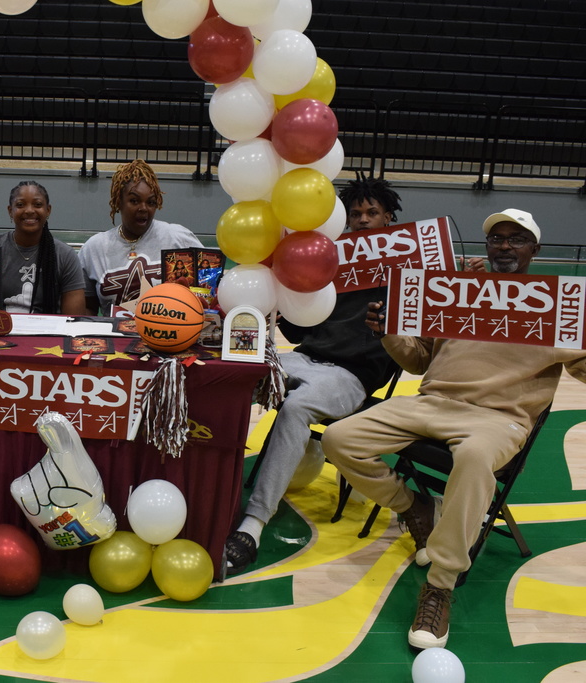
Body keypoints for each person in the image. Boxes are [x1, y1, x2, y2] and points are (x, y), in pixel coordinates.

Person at [322, 208, 586, 650]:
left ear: (534, 250)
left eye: (516, 239)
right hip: (434, 401)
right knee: (339, 439)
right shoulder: (458, 293)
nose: (504, 246)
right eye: (497, 238)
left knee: (476, 459)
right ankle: (414, 507)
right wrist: (389, 334)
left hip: (498, 418)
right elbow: (418, 361)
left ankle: (440, 586)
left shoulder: (557, 308)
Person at [223, 176, 404, 575]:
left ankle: (253, 524)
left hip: (351, 375)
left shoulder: (408, 273)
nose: (362, 220)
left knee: (297, 408)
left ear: (389, 219)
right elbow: (303, 331)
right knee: (231, 380)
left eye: (371, 213)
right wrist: (285, 299)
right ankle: (212, 486)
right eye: (355, 213)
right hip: (305, 357)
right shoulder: (331, 262)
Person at [79, 159, 203, 314]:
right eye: (134, 201)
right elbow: (87, 310)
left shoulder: (178, 238)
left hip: (168, 336)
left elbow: (208, 289)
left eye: (150, 202)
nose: (143, 208)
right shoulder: (94, 248)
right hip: (116, 336)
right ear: (119, 202)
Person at [0, 180, 86, 315]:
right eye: (20, 205)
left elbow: (74, 318)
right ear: (10, 211)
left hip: (48, 333)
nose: (29, 210)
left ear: (48, 210)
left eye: (38, 204)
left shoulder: (65, 255)